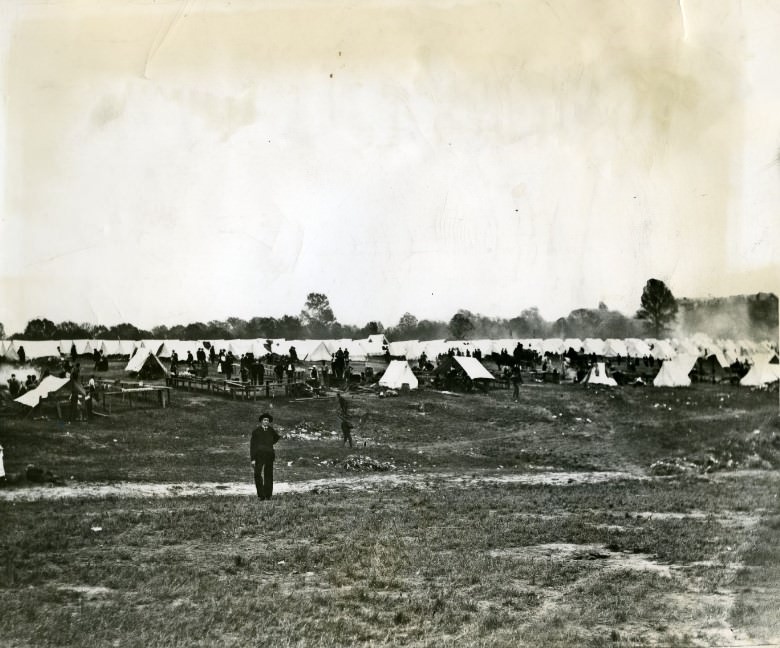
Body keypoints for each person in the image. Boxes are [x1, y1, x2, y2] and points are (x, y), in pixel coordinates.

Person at [250, 412, 281, 500]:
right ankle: (261, 495)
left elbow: (276, 438)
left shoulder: (271, 430)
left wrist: (269, 445)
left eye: (267, 420)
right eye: (264, 420)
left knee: (269, 475)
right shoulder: (256, 432)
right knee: (257, 474)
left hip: (269, 455)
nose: (266, 421)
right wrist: (253, 459)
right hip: (259, 456)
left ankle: (268, 495)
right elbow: (252, 446)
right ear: (261, 421)